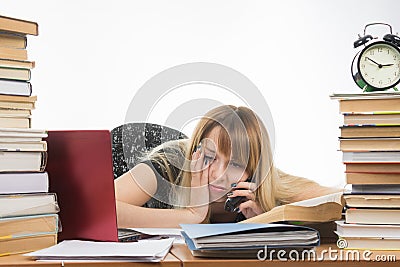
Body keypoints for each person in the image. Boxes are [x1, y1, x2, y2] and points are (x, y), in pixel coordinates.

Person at [114, 105, 339, 228]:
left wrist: (264, 222)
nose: (218, 174)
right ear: (196, 151)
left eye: (235, 164)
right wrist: (192, 215)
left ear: (254, 170)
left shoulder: (266, 184)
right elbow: (99, 210)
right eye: (210, 157)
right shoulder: (170, 162)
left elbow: (345, 200)